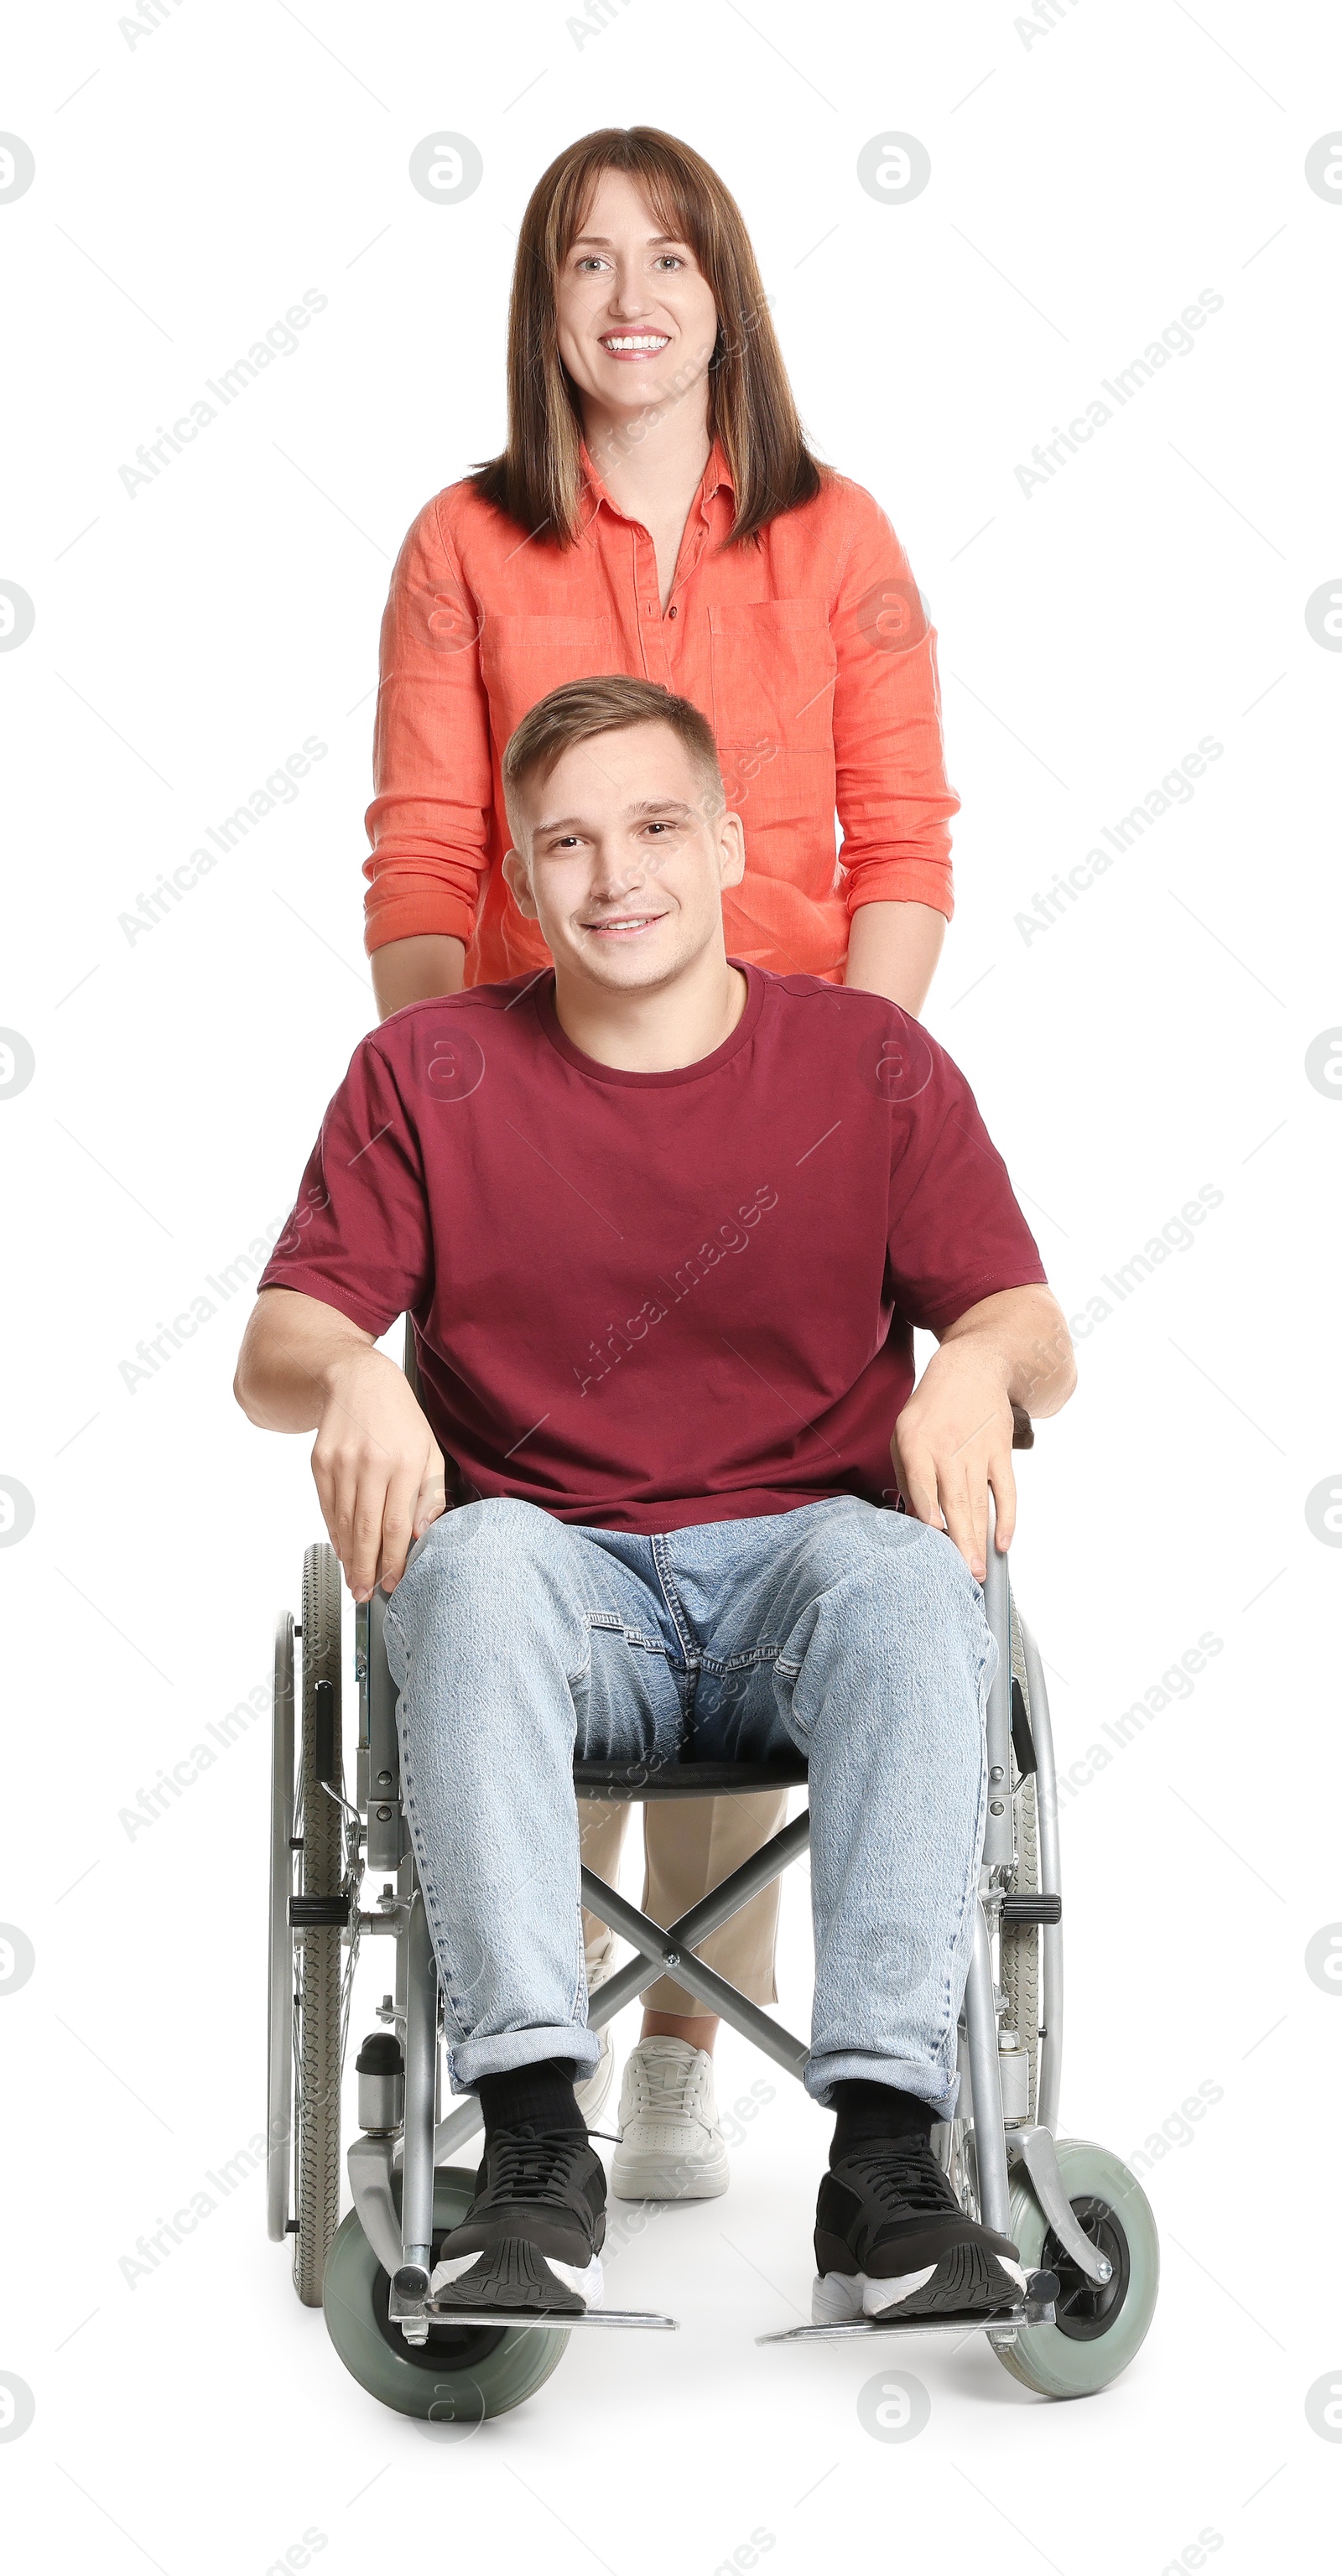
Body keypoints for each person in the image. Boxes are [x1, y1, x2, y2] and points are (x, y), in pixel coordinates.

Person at [237, 677, 1075, 2324]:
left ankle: (887, 2157)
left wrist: (977, 1364)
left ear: (726, 845)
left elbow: (1026, 1320)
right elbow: (280, 1342)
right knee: (467, 1564)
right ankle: (538, 2141)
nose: (613, 876)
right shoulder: (426, 1075)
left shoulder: (870, 1063)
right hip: (557, 1584)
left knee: (914, 1576)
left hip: (799, 1586)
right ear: (523, 877)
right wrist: (350, 1376)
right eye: (564, 842)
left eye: (649, 829)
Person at [362, 125, 963, 2189]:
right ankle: (553, 2019)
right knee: (546, 1539)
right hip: (535, 1115)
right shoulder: (465, 546)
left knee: (774, 1526)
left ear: (725, 293)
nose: (629, 297)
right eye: (584, 264)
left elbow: (898, 848)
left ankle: (689, 2024)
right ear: (539, 311)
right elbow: (428, 865)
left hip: (785, 1122)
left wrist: (860, 1108)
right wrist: (443, 1129)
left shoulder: (837, 540)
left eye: (670, 257)